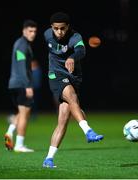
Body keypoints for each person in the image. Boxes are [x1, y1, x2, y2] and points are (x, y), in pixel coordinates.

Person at [42, 12, 104, 168]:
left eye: (62, 28)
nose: (59, 32)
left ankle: (48, 159)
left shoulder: (75, 37)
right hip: (55, 74)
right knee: (72, 96)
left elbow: (81, 50)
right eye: (56, 28)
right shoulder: (47, 35)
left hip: (73, 76)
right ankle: (88, 131)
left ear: (68, 27)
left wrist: (72, 57)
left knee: (63, 120)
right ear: (51, 28)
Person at [4, 19, 37, 152]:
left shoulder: (20, 43)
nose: (33, 33)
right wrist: (28, 85)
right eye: (30, 31)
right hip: (22, 84)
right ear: (24, 31)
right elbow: (22, 66)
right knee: (25, 114)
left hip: (14, 84)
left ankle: (10, 131)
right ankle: (19, 145)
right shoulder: (22, 44)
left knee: (22, 112)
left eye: (35, 31)